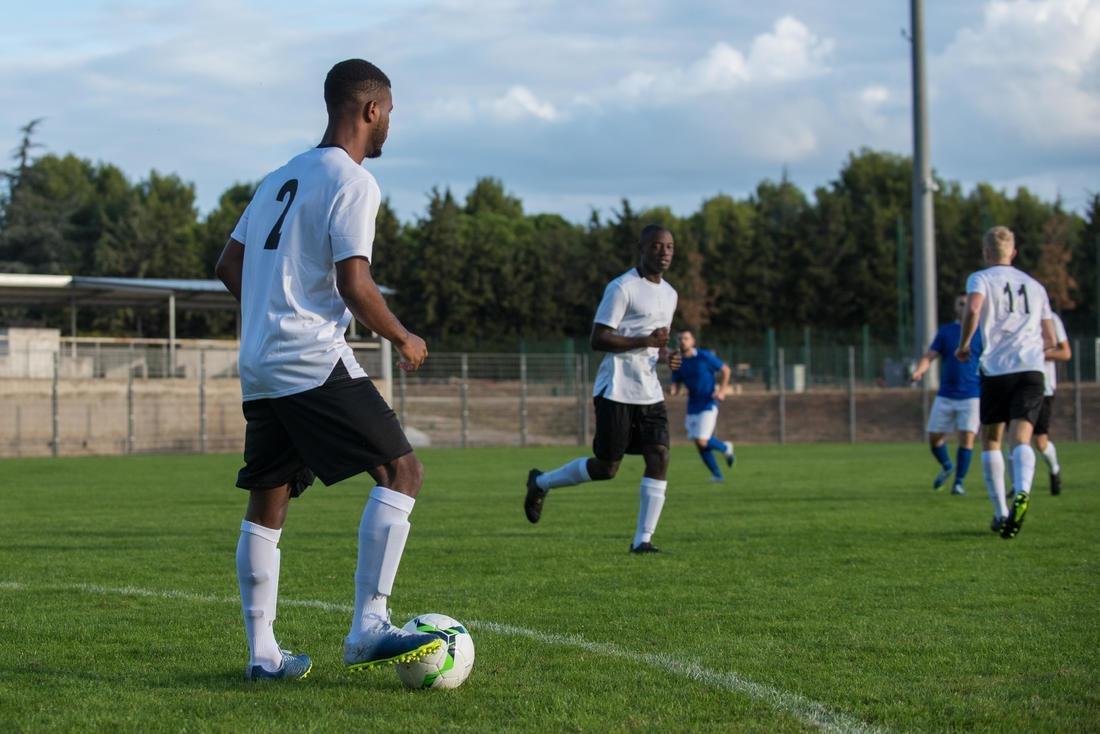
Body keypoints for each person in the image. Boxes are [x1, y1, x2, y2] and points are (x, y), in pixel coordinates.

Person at [214, 59, 442, 681]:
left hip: (260, 364)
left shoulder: (277, 177)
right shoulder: (354, 181)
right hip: (310, 357)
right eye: (390, 111)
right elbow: (355, 283)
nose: (391, 122)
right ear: (370, 110)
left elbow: (228, 265)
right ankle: (369, 627)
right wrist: (403, 336)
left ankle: (263, 657)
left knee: (270, 498)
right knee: (402, 469)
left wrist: (271, 309)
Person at [523, 225, 680, 553]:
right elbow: (599, 338)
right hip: (617, 389)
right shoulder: (623, 287)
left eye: (668, 246)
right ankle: (541, 482)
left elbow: (656, 343)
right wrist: (644, 341)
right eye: (657, 246)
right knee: (607, 467)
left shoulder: (670, 294)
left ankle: (643, 541)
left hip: (649, 391)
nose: (664, 252)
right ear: (642, 248)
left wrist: (666, 356)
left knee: (660, 455)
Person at [956, 226, 1056, 539]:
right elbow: (1051, 338)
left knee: (992, 439)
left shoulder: (981, 278)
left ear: (986, 253)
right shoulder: (1036, 286)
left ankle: (1001, 511)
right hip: (1032, 369)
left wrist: (964, 344)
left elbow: (973, 307)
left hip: (998, 368)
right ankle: (1023, 491)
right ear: (1013, 252)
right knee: (1022, 438)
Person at [910, 294, 983, 496]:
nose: (964, 305)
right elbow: (930, 355)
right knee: (934, 438)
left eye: (968, 302)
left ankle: (958, 483)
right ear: (956, 308)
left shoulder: (982, 331)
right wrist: (919, 371)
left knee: (966, 438)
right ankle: (947, 465)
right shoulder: (947, 331)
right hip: (946, 394)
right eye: (960, 303)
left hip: (972, 394)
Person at [668, 329, 735, 482]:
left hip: (708, 402)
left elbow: (725, 370)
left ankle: (726, 448)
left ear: (693, 341)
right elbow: (675, 385)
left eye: (686, 338)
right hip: (692, 405)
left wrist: (722, 391)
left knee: (702, 440)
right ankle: (717, 475)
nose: (682, 341)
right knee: (699, 443)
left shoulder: (704, 356)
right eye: (680, 339)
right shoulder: (678, 362)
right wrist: (672, 390)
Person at [1034, 311, 1071, 494]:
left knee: (1040, 442)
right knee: (1015, 438)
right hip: (1016, 385)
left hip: (1043, 388)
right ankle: (1017, 486)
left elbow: (1065, 353)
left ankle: (1054, 469)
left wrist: (1036, 353)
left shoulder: (1051, 319)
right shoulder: (1011, 316)